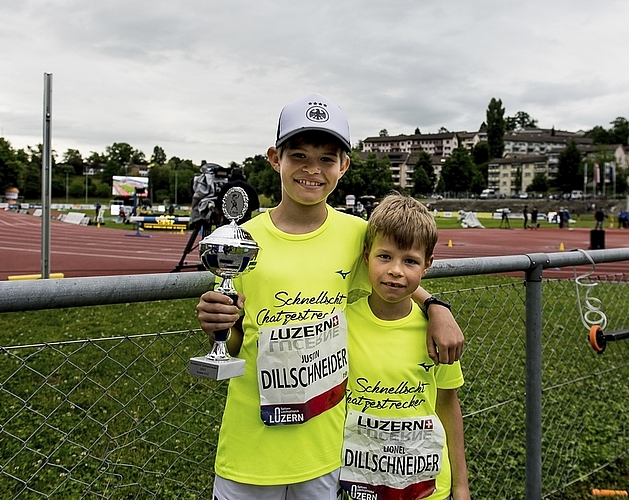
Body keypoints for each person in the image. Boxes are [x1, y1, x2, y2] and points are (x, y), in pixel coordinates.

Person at [195, 93, 464, 500]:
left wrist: (436, 306)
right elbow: (234, 340)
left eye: (326, 159)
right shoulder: (241, 240)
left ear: (343, 166)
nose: (312, 169)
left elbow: (393, 275)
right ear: (274, 158)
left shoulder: (356, 234)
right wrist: (219, 325)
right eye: (299, 155)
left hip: (324, 452)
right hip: (250, 446)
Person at [340, 193, 470, 500]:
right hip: (360, 484)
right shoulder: (341, 325)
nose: (396, 270)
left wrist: (461, 487)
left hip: (426, 488)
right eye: (385, 257)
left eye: (410, 261)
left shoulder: (438, 333)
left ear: (427, 265)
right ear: (366, 256)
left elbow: (448, 406)